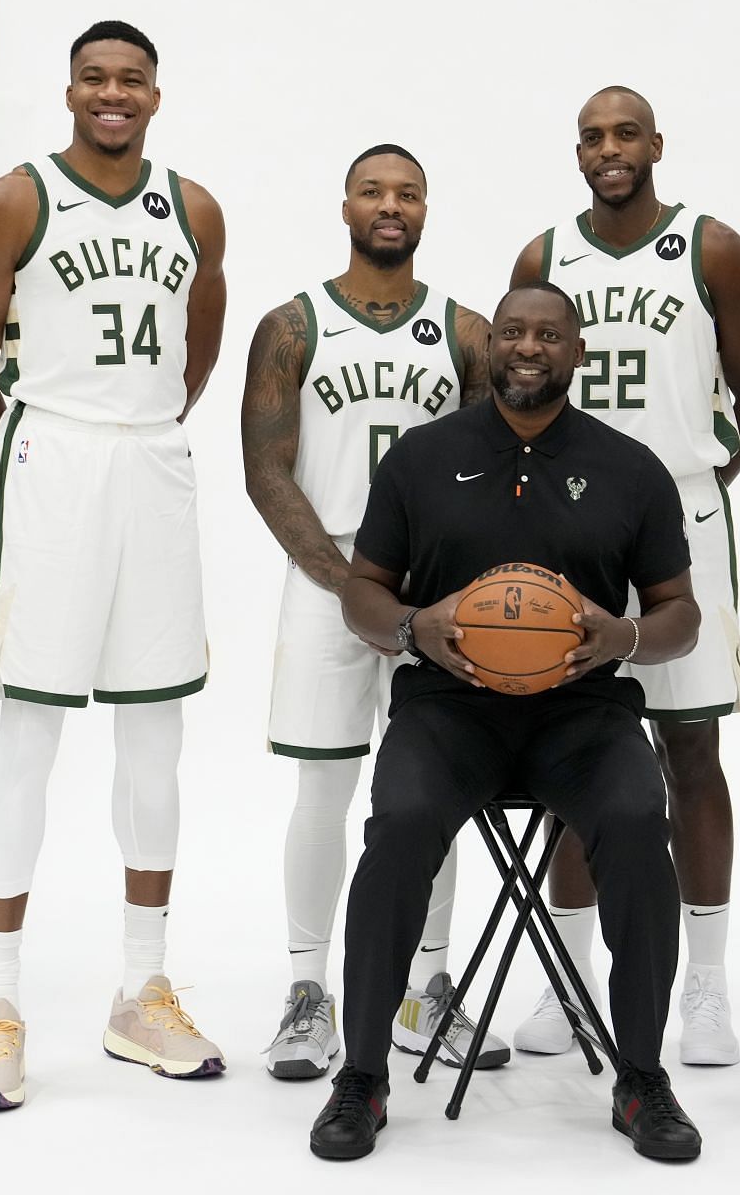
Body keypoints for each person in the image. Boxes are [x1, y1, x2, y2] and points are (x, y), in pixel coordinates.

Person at [308, 282, 703, 1162]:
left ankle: (642, 1077)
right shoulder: (419, 457)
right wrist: (415, 628)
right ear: (490, 348)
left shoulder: (630, 467)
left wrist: (625, 635)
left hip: (585, 711)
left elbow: (683, 613)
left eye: (550, 334)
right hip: (450, 709)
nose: (530, 346)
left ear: (578, 353)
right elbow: (363, 592)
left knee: (641, 825)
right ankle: (361, 1077)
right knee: (400, 827)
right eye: (514, 332)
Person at [0, 19, 229, 1110]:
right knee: (27, 735)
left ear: (157, 93)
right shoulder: (14, 198)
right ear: (68, 90)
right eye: (97, 78)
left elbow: (196, 346)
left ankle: (140, 987)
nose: (115, 93)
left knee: (157, 732)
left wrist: (137, 428)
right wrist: (31, 468)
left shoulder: (194, 208)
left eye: (134, 79)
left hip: (152, 460)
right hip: (51, 456)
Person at [511, 87, 740, 1065]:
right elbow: (518, 392)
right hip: (570, 524)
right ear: (575, 150)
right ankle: (568, 979)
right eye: (592, 135)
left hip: (682, 510)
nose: (609, 149)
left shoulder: (711, 248)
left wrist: (689, 489)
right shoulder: (544, 258)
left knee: (691, 750)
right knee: (577, 753)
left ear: (657, 144)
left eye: (626, 133)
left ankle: (704, 987)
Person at [242, 142, 503, 1080]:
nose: (389, 206)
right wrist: (343, 576)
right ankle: (308, 991)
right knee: (323, 787)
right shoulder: (291, 326)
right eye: (372, 191)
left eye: (407, 194)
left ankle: (423, 989)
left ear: (427, 209)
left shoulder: (467, 331)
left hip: (435, 594)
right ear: (344, 204)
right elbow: (266, 471)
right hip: (329, 578)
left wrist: (445, 582)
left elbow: (497, 470)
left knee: (434, 794)